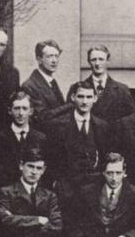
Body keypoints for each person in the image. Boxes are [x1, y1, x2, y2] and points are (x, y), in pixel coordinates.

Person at [45, 81, 109, 211]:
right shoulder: (57, 125)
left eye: (89, 97)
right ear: (73, 97)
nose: (85, 102)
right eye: (80, 97)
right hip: (66, 191)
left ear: (95, 98)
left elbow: (104, 159)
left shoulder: (102, 126)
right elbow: (51, 160)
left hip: (94, 191)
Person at [67, 45, 135, 124]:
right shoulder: (76, 89)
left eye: (101, 59)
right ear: (89, 62)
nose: (97, 63)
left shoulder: (122, 90)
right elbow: (69, 118)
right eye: (93, 60)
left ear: (108, 61)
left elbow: (131, 118)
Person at [0, 91, 47, 188]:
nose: (21, 113)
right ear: (10, 110)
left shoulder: (41, 138)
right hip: (7, 192)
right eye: (17, 108)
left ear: (31, 111)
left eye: (24, 108)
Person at [20, 40, 71, 131]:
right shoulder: (30, 86)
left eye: (56, 56)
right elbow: (42, 117)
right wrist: (70, 105)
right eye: (49, 56)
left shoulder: (51, 82)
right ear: (39, 59)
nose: (54, 60)